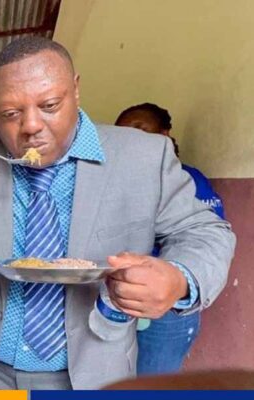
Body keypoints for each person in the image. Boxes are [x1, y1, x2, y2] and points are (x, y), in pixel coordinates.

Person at [0, 36, 235, 390]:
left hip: (91, 374)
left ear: (76, 90)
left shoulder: (144, 157)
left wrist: (180, 278)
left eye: (49, 105)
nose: (31, 126)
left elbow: (204, 231)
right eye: (10, 114)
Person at [115, 102, 226, 376]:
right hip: (119, 297)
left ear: (164, 134)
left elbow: (201, 236)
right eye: (123, 132)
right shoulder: (116, 180)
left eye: (140, 130)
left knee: (152, 380)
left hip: (166, 306)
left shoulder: (188, 180)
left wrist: (173, 276)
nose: (131, 139)